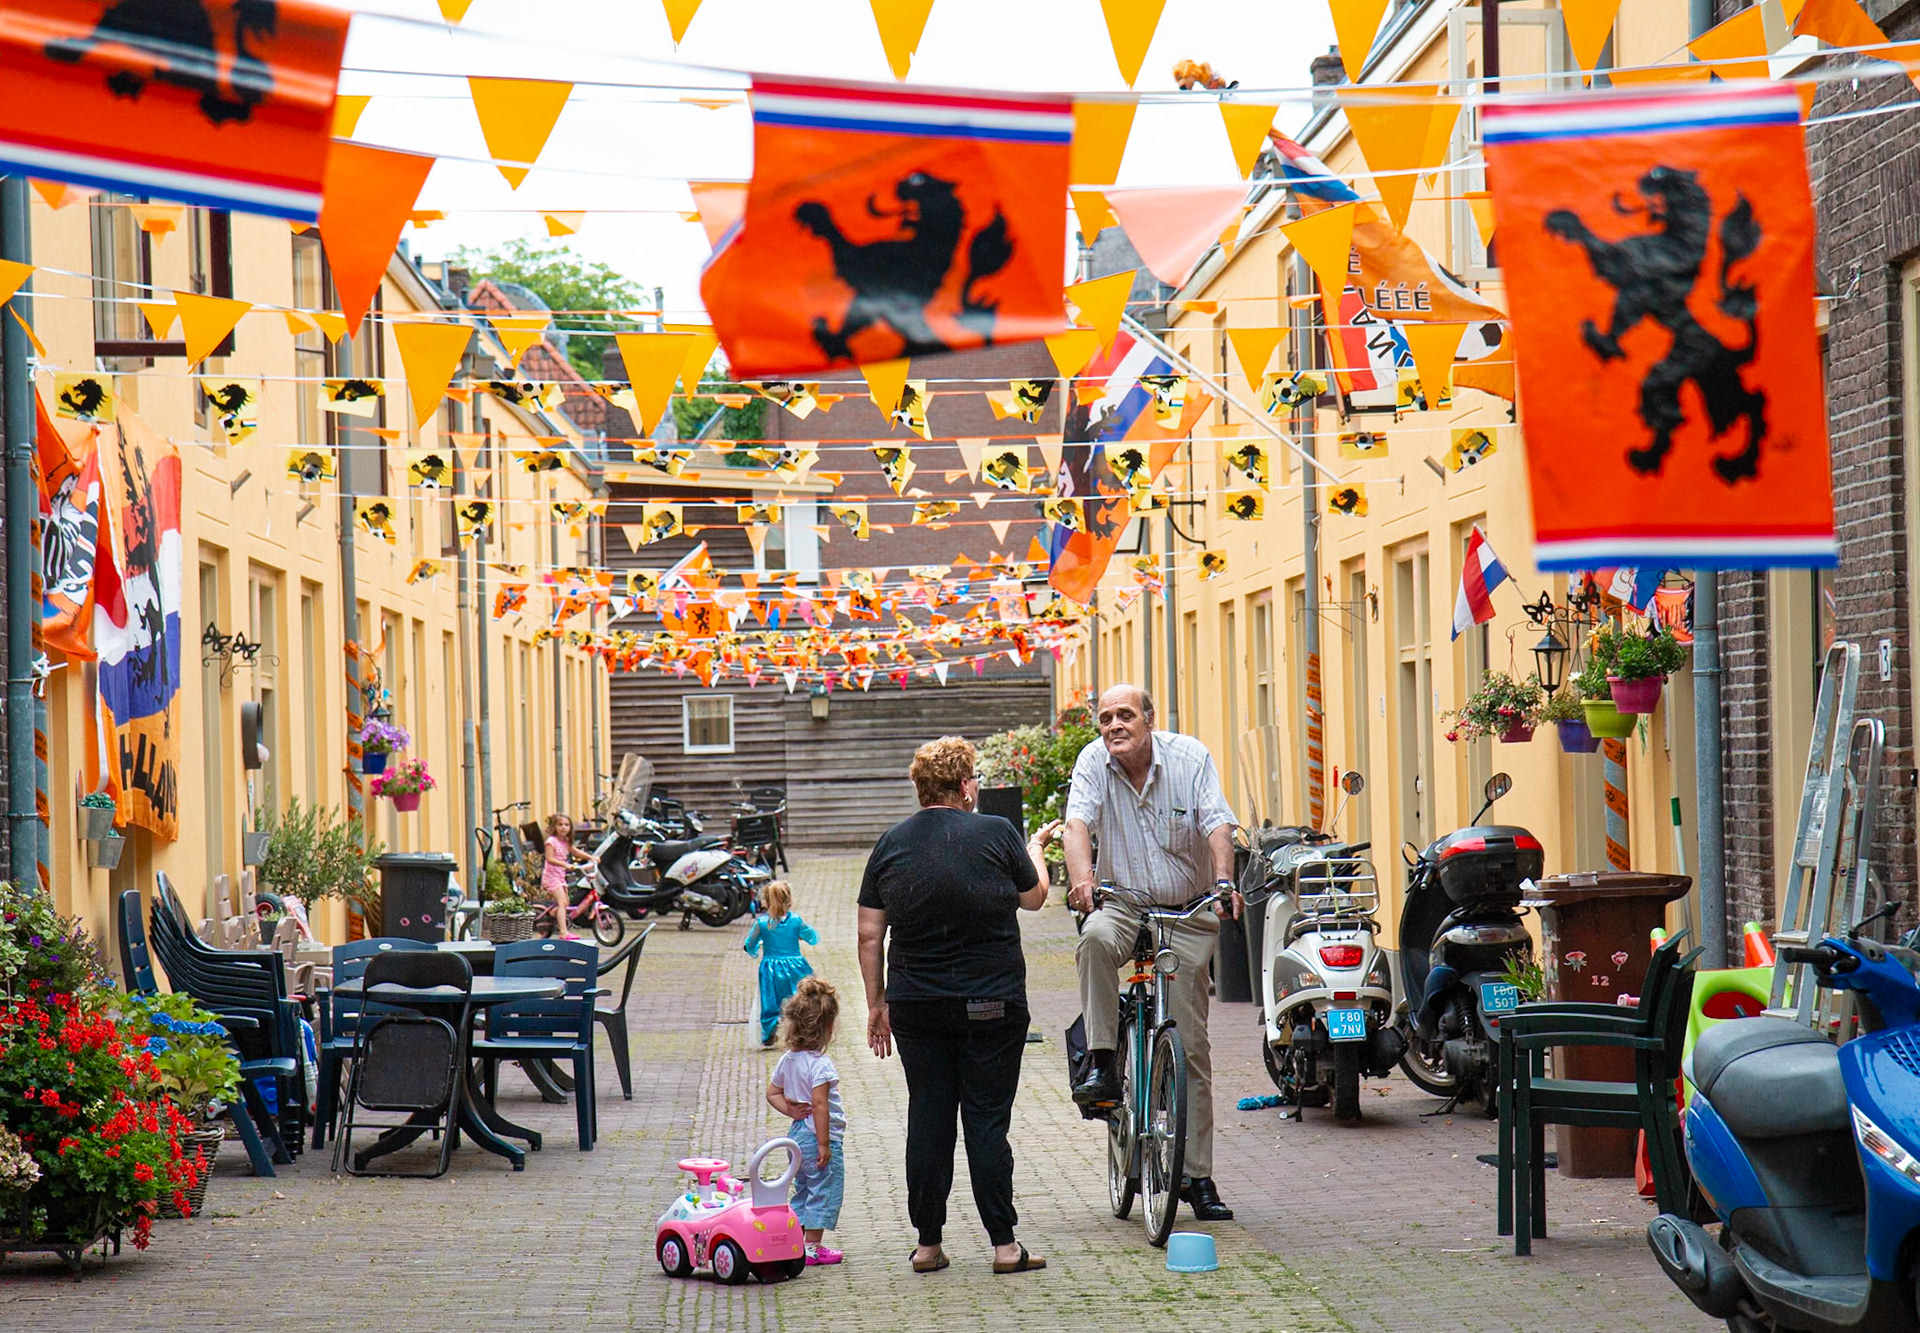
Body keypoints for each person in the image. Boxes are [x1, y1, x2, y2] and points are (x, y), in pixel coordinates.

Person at [857, 735, 1056, 1275]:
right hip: (991, 1002)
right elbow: (1034, 897)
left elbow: (870, 935)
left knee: (929, 1116)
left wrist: (877, 1004)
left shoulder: (891, 843)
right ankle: (1004, 1246)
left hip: (916, 1004)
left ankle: (927, 1245)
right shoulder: (995, 832)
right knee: (987, 1122)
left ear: (920, 788)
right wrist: (1035, 849)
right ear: (967, 786)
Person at [1066, 684, 1240, 1222]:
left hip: (1186, 909)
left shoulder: (1190, 757)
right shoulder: (1094, 761)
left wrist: (1225, 881)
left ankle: (1197, 1177)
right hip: (1122, 902)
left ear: (1149, 719)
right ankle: (1100, 1060)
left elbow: (1217, 825)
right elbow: (1076, 825)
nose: (1113, 726)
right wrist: (1082, 881)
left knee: (1191, 1048)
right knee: (1094, 938)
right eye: (1104, 718)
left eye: (1124, 716)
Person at [767, 977, 846, 1266]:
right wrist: (825, 1143)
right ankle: (812, 1247)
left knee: (802, 1188)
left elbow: (772, 1092)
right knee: (823, 1188)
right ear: (827, 1028)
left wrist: (789, 1111)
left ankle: (795, 1241)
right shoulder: (820, 1064)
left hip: (797, 1135)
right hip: (816, 1136)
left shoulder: (788, 1059)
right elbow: (820, 1104)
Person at [743, 880, 818, 1046]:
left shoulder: (762, 924)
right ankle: (803, 1027)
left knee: (770, 1000)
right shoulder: (796, 921)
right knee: (801, 996)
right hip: (796, 966)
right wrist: (799, 935)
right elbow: (813, 937)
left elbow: (750, 944)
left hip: (771, 967)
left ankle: (769, 1031)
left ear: (766, 901)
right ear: (789, 900)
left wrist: (754, 948)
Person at [541, 813, 595, 941]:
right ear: (554, 827)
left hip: (560, 876)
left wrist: (591, 857)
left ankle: (552, 915)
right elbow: (549, 858)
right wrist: (565, 864)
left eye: (566, 825)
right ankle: (563, 932)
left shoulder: (565, 841)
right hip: (551, 877)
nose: (563, 828)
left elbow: (575, 851)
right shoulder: (551, 842)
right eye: (560, 825)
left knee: (565, 903)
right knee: (561, 903)